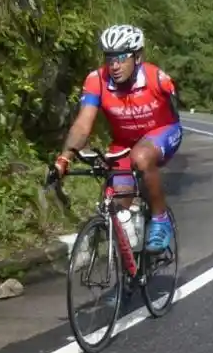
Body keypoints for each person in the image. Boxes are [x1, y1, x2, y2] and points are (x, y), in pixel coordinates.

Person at [50, 24, 182, 253]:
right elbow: (83, 124)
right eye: (109, 58)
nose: (114, 66)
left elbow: (175, 112)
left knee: (141, 157)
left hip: (163, 132)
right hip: (124, 142)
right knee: (118, 206)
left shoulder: (156, 78)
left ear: (137, 56)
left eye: (121, 58)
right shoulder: (96, 81)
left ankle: (161, 220)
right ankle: (131, 271)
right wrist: (64, 158)